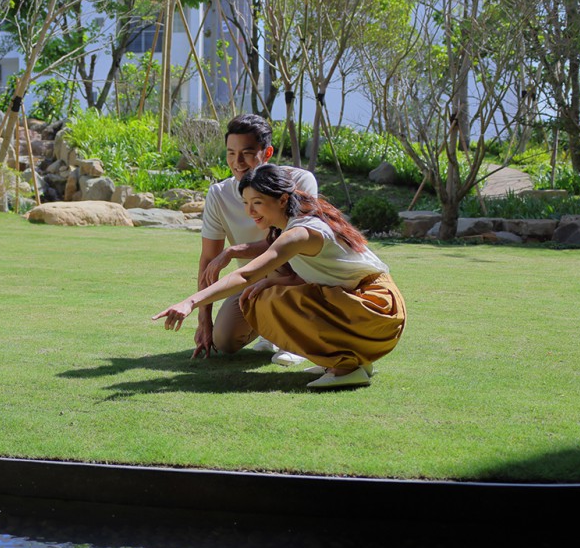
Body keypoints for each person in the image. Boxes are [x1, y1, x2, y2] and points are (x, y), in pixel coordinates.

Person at [153, 164, 406, 390]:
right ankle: (351, 359)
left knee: (266, 300)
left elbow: (246, 275)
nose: (250, 211)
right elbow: (321, 274)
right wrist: (273, 279)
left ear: (283, 199)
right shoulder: (297, 221)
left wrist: (190, 302)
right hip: (371, 307)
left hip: (376, 308)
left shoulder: (300, 232)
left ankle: (346, 368)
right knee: (268, 291)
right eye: (245, 203)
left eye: (257, 202)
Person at [193, 114, 318, 364]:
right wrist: (204, 319)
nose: (237, 162)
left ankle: (295, 340)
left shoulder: (299, 181)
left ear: (267, 153)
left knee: (282, 266)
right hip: (251, 280)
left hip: (298, 274)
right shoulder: (219, 194)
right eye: (231, 153)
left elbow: (293, 242)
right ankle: (269, 330)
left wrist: (234, 251)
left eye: (247, 153)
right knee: (224, 341)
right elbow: (208, 258)